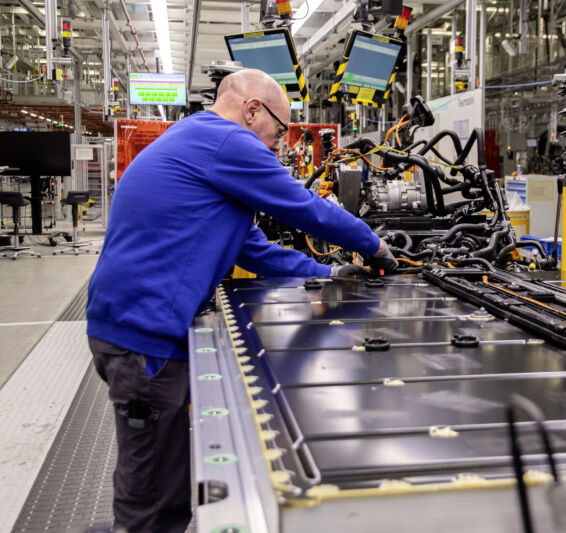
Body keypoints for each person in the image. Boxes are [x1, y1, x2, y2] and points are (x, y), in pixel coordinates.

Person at [85, 69, 397, 532]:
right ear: (252, 110)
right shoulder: (227, 142)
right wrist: (375, 247)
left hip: (135, 328)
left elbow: (254, 247)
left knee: (165, 486)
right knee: (150, 498)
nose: (280, 142)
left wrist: (329, 273)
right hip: (143, 338)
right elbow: (306, 207)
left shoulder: (199, 142)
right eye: (280, 127)